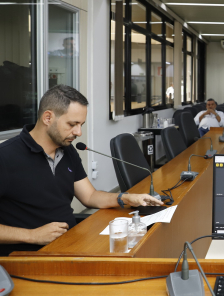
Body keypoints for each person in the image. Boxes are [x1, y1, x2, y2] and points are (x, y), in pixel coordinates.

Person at [0, 85, 163, 256]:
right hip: (28, 257)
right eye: (72, 124)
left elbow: (90, 196)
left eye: (81, 124)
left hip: (70, 244)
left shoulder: (67, 150)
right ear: (48, 117)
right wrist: (32, 235)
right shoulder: (6, 157)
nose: (78, 132)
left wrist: (127, 198)